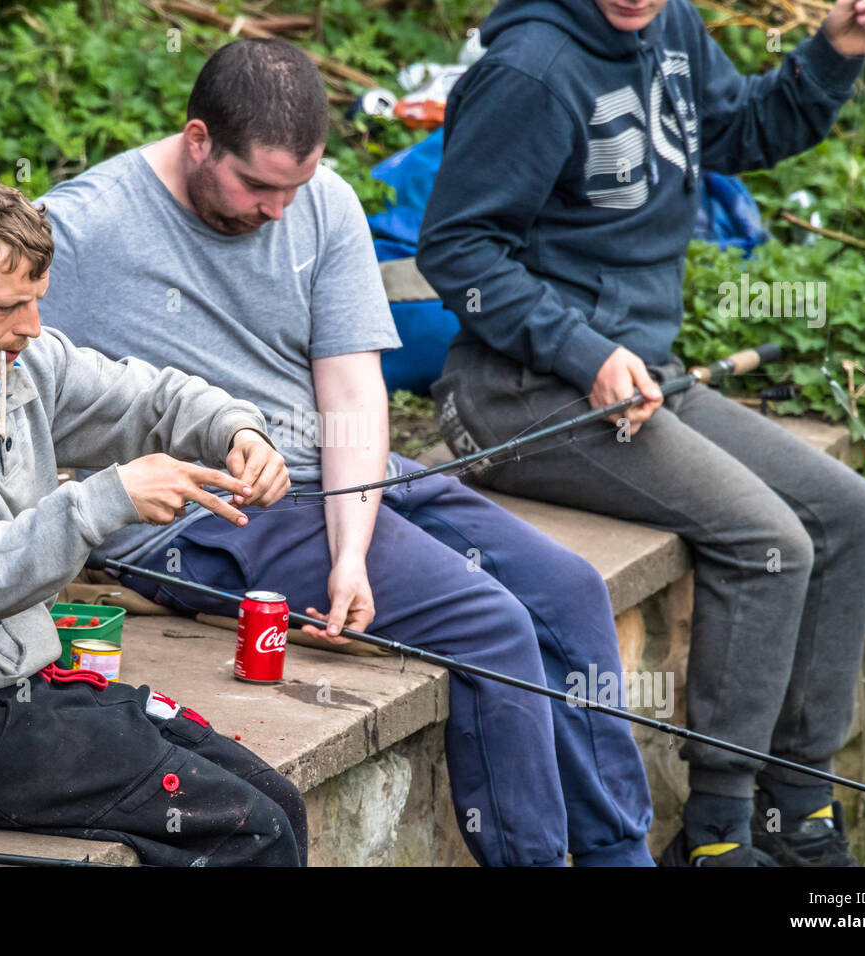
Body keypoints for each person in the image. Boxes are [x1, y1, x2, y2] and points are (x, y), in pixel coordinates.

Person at [36, 37, 657, 867]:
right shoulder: (80, 228)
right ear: (197, 140)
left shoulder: (319, 199)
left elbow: (354, 392)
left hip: (334, 467)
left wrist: (352, 550)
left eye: (295, 184)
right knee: (494, 628)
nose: (278, 210)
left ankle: (620, 855)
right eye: (257, 184)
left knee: (572, 591)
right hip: (201, 514)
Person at [416, 0, 865, 866]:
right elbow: (457, 250)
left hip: (642, 380)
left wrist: (831, 54)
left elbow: (743, 131)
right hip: (521, 395)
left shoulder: (667, 29)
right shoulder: (528, 70)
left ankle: (801, 815)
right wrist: (581, 347)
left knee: (852, 514)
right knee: (768, 541)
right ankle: (715, 836)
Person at [0, 173, 306, 866]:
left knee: (277, 802)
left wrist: (234, 431)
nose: (32, 328)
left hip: (23, 692)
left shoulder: (18, 365)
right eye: (9, 305)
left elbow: (148, 399)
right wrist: (108, 498)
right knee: (247, 829)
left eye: (38, 302)